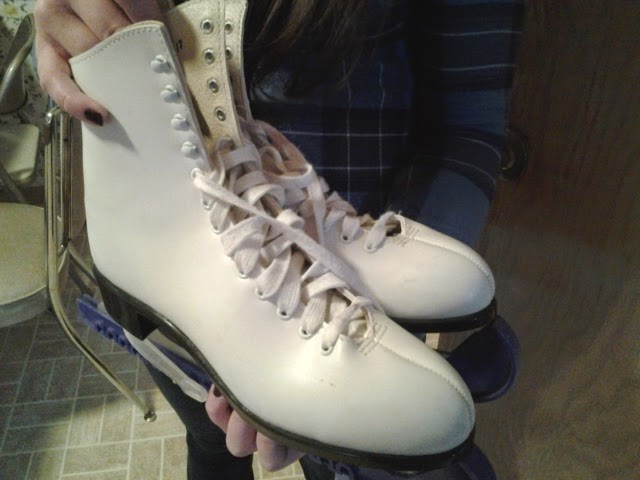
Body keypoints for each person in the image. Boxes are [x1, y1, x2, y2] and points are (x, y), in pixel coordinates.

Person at [34, 0, 524, 479]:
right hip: (178, 280)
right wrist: (70, 26)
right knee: (208, 441)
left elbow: (467, 122)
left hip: (326, 264)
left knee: (320, 463)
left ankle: (284, 252)